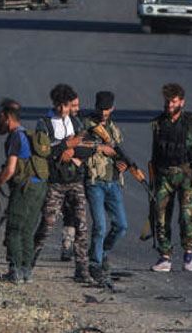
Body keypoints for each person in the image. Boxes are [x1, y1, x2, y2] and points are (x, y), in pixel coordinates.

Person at [32, 84, 94, 282]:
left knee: (81, 226)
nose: (62, 109)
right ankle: (27, 263)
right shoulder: (45, 124)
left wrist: (73, 152)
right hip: (55, 182)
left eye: (66, 105)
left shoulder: (75, 123)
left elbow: (89, 147)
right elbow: (43, 151)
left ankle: (82, 270)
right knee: (47, 225)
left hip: (75, 180)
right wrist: (65, 147)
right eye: (59, 105)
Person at [149, 83, 192, 272]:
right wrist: (153, 177)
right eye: (167, 101)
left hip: (186, 175)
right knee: (160, 214)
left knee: (186, 216)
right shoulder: (158, 123)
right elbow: (155, 152)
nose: (169, 105)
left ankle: (188, 252)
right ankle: (165, 256)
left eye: (173, 101)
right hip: (164, 175)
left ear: (182, 102)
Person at [0, 99, 48, 283]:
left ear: (7, 118)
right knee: (27, 230)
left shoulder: (16, 137)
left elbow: (11, 170)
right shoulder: (28, 135)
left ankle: (14, 271)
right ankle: (26, 271)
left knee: (14, 228)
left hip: (25, 188)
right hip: (39, 188)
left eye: (0, 117)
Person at [82, 91, 131, 290]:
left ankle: (102, 252)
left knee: (121, 225)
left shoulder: (114, 130)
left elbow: (119, 154)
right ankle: (95, 263)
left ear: (112, 108)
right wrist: (100, 148)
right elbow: (78, 144)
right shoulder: (86, 125)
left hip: (113, 182)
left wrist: (124, 165)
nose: (103, 112)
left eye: (107, 109)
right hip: (95, 181)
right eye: (100, 108)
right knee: (100, 226)